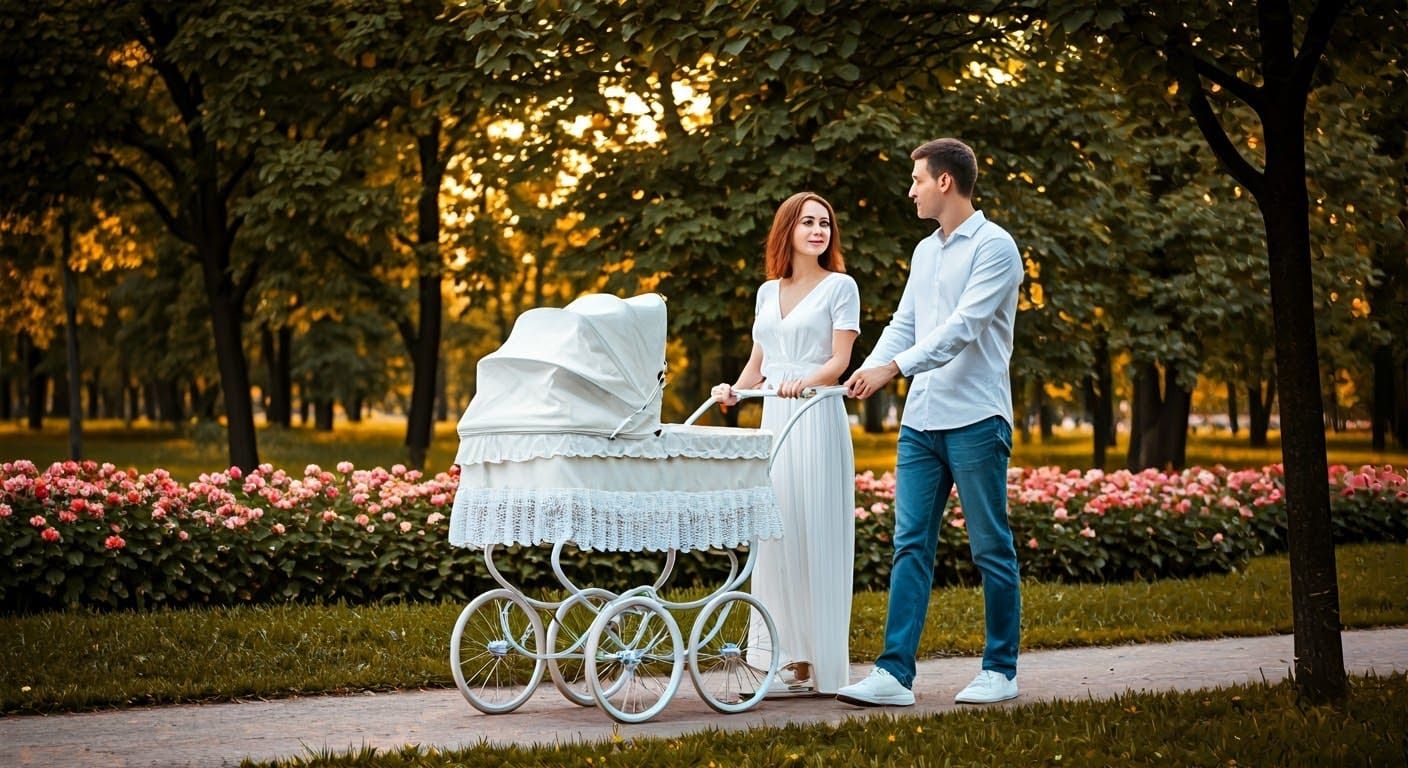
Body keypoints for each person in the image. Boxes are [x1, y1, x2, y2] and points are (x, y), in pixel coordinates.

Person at [836, 138, 1024, 707]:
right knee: (909, 545)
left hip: (976, 418)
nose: (911, 188)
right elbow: (907, 321)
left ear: (945, 181)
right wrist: (869, 369)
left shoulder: (996, 248)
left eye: (917, 178)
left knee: (990, 547)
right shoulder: (925, 252)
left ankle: (1000, 670)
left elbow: (962, 329)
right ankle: (894, 675)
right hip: (921, 421)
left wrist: (896, 367)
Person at [711, 191, 860, 696]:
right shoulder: (766, 292)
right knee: (776, 535)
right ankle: (782, 657)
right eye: (807, 222)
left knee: (814, 529)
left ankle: (820, 662)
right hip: (776, 417)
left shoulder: (841, 287)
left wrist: (807, 381)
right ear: (787, 230)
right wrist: (734, 389)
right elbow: (759, 365)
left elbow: (839, 361)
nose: (818, 230)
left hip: (815, 416)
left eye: (825, 223)